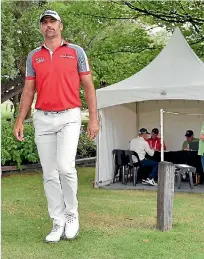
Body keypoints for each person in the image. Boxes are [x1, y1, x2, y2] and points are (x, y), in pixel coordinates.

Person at [13, 10, 99, 243]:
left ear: (61, 26)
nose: (49, 26)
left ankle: (71, 214)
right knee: (49, 173)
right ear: (41, 28)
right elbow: (29, 90)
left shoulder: (76, 52)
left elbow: (89, 87)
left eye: (53, 22)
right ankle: (57, 220)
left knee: (65, 167)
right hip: (42, 117)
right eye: (45, 23)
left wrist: (93, 119)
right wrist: (20, 119)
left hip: (69, 116)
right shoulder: (34, 56)